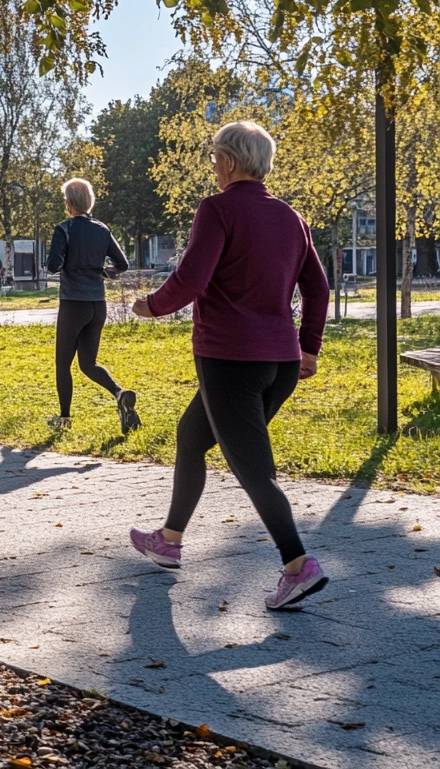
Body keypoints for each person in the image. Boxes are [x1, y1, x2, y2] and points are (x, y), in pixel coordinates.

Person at [129, 121, 330, 610]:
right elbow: (318, 287)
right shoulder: (291, 217)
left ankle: (298, 566)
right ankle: (169, 540)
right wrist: (308, 347)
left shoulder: (217, 209)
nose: (213, 165)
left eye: (216, 156)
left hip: (231, 360)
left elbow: (191, 279)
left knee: (254, 469)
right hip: (280, 363)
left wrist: (150, 306)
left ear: (232, 160)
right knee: (191, 436)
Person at [46, 178, 137, 434]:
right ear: (89, 201)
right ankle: (119, 393)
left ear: (68, 203)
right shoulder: (102, 229)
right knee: (88, 363)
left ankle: (64, 418)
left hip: (73, 304)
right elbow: (122, 264)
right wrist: (103, 271)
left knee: (63, 364)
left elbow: (53, 265)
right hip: (97, 304)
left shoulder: (63, 229)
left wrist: (66, 260)